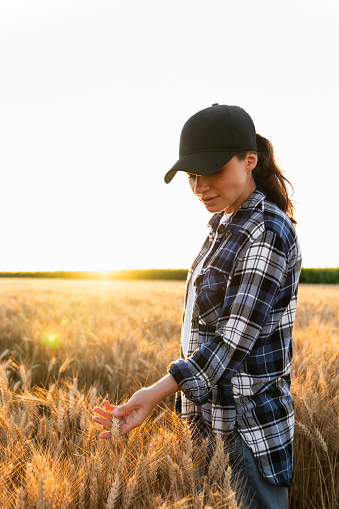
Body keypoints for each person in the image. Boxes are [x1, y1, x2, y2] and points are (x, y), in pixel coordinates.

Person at [93, 104, 302, 509]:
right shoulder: (223, 226)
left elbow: (233, 342)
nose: (201, 187)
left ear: (250, 161)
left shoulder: (268, 230)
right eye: (193, 176)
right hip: (207, 424)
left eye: (213, 172)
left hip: (248, 431)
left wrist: (155, 392)